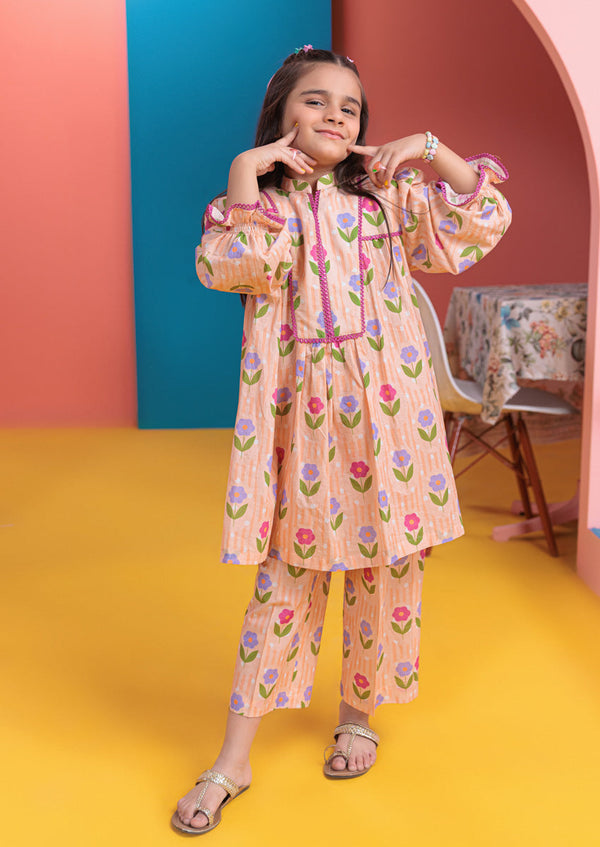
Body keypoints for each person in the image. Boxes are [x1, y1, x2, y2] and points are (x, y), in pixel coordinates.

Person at [173, 46, 511, 835]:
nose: (334, 115)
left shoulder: (387, 195)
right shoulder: (260, 208)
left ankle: (358, 717)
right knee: (285, 580)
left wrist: (429, 149)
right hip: (304, 421)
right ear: (281, 115)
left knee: (388, 569)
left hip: (394, 419)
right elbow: (233, 268)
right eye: (315, 100)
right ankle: (233, 758)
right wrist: (245, 169)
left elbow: (477, 219)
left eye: (349, 106)